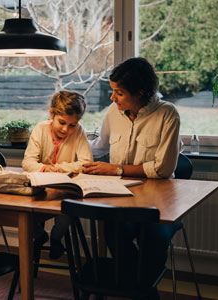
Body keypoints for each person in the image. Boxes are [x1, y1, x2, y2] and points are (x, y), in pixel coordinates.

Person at [83, 57, 180, 299]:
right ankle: (141, 290)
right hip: (122, 199)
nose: (112, 98)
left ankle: (140, 289)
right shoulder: (114, 112)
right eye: (112, 91)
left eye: (118, 93)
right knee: (114, 230)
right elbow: (99, 146)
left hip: (161, 204)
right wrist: (68, 138)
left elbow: (163, 169)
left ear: (140, 92)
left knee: (153, 239)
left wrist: (116, 170)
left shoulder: (167, 114)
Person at [22, 90, 93, 259]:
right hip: (40, 187)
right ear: (52, 114)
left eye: (72, 125)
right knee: (24, 210)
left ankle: (56, 238)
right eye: (62, 122)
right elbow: (28, 162)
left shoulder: (78, 131)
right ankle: (39, 235)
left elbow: (86, 162)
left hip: (63, 189)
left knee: (68, 207)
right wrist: (45, 169)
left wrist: (59, 168)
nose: (66, 129)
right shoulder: (40, 129)